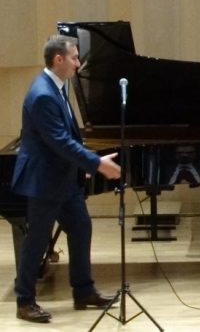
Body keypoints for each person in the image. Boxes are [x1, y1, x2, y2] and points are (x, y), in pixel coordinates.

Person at [12, 35, 121, 323]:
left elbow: (67, 137)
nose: (78, 63)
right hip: (45, 181)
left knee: (81, 227)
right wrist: (95, 162)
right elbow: (59, 141)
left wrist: (80, 164)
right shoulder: (43, 94)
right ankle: (24, 301)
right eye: (74, 57)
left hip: (63, 178)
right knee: (37, 241)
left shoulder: (56, 88)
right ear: (58, 59)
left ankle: (83, 291)